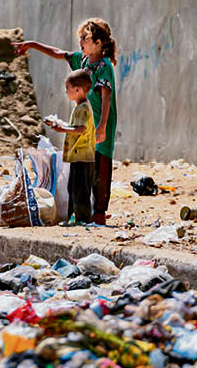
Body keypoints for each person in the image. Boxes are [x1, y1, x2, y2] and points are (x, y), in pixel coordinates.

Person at [13, 18, 118, 225]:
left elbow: (107, 96)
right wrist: (33, 45)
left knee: (101, 164)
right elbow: (59, 53)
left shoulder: (104, 66)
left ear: (98, 43)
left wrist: (102, 126)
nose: (80, 41)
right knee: (84, 166)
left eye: (84, 38)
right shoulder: (84, 60)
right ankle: (80, 211)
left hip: (100, 121)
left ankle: (99, 212)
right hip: (84, 120)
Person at [44, 68, 95, 223]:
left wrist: (62, 129)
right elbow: (76, 126)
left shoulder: (83, 108)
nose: (66, 92)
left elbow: (81, 129)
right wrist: (60, 124)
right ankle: (73, 217)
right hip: (77, 156)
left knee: (81, 190)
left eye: (68, 89)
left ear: (78, 89)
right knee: (72, 188)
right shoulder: (79, 107)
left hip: (83, 157)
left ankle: (83, 218)